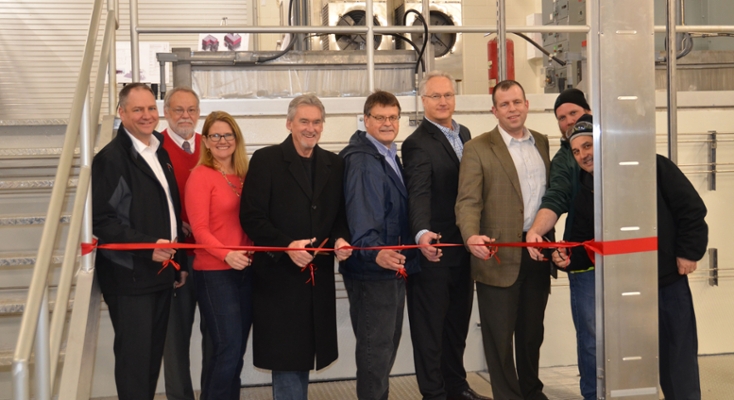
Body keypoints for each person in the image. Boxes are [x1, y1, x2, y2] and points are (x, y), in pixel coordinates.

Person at [548, 115, 708, 400]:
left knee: (678, 357)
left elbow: (691, 210)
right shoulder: (587, 189)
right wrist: (566, 259)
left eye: (588, 146)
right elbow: (584, 245)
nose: (583, 155)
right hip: (622, 292)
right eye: (576, 151)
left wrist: (688, 252)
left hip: (667, 282)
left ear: (603, 143)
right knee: (631, 363)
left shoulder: (655, 166)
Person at [240, 94, 352, 400]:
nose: (311, 128)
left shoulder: (335, 163)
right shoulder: (266, 160)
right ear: (290, 123)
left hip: (317, 280)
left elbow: (340, 216)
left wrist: (342, 240)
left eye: (317, 122)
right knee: (287, 359)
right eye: (304, 121)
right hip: (279, 281)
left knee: (306, 355)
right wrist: (286, 246)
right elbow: (251, 217)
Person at [455, 80, 552, 400]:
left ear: (527, 105)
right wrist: (470, 236)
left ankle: (532, 392)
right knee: (499, 338)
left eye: (517, 102)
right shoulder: (478, 148)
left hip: (537, 251)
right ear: (494, 110)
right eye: (505, 104)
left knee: (531, 335)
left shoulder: (542, 142)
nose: (512, 109)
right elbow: (468, 201)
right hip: (496, 255)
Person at [92, 82, 187, 400]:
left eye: (150, 108)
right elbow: (103, 221)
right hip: (131, 278)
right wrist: (149, 246)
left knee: (149, 363)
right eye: (137, 109)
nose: (147, 115)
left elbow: (170, 210)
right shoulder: (112, 159)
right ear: (122, 113)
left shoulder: (158, 151)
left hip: (160, 274)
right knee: (135, 364)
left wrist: (179, 264)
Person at [402, 71, 489, 400]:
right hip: (434, 252)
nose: (443, 101)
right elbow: (418, 194)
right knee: (430, 333)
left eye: (448, 95)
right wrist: (423, 233)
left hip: (463, 250)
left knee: (456, 328)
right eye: (435, 96)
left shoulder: (464, 133)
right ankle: (434, 394)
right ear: (423, 101)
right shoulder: (416, 144)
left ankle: (457, 387)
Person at [340, 90, 420, 400]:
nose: (387, 123)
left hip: (389, 266)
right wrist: (375, 251)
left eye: (392, 117)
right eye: (380, 117)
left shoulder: (386, 154)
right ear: (366, 120)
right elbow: (363, 214)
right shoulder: (363, 161)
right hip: (374, 268)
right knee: (376, 353)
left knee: (383, 348)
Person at [524, 88, 594, 400]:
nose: (567, 122)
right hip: (584, 261)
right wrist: (536, 231)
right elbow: (556, 197)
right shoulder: (566, 158)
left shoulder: (617, 143)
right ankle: (593, 394)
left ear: (588, 111)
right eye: (561, 118)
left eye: (573, 114)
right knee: (590, 336)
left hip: (628, 258)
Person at [185, 111, 253, 400]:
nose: (223, 140)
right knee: (226, 347)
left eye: (228, 135)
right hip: (214, 272)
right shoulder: (200, 176)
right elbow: (199, 230)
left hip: (245, 271)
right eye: (216, 135)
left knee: (235, 351)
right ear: (206, 141)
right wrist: (226, 255)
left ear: (236, 139)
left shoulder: (245, 175)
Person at [160, 86, 211, 400]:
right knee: (174, 341)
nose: (185, 116)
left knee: (217, 338)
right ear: (166, 112)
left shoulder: (212, 144)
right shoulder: (155, 147)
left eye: (191, 109)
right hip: (177, 258)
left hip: (214, 256)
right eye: (178, 110)